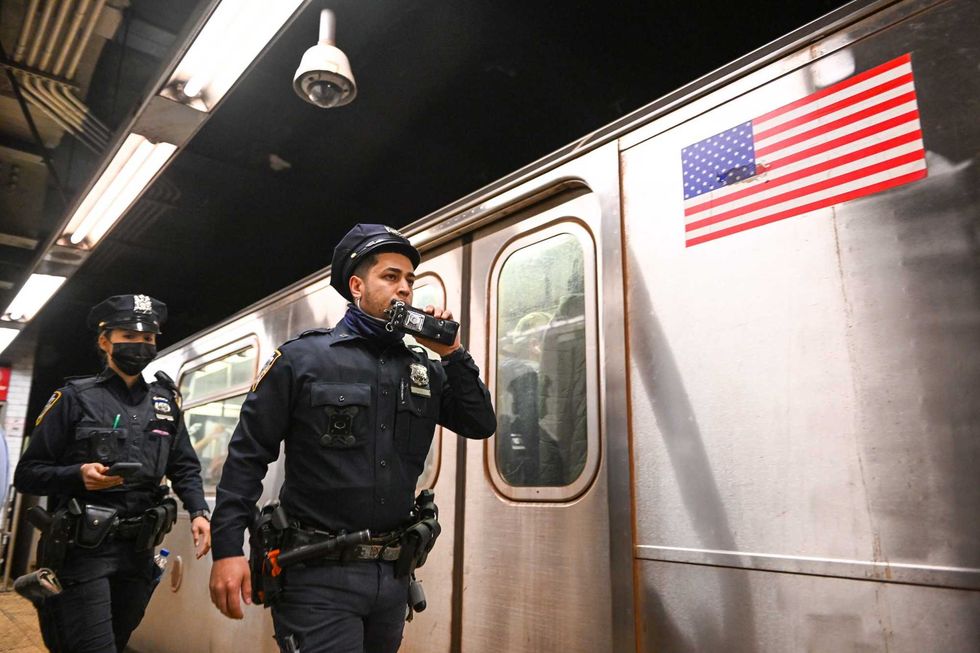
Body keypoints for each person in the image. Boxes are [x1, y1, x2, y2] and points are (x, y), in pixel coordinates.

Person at [208, 224, 496, 652]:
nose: (404, 289)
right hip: (316, 576)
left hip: (392, 577)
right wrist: (227, 549)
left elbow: (479, 423)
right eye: (391, 277)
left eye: (410, 280)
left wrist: (452, 354)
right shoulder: (302, 360)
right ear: (357, 285)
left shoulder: (424, 369)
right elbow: (247, 457)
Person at [14, 294, 211, 653]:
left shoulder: (166, 403)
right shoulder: (74, 397)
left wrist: (199, 511)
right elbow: (28, 473)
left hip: (139, 549)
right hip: (84, 550)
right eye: (130, 338)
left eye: (148, 339)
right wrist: (78, 475)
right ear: (105, 341)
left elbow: (183, 465)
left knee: (116, 644)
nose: (140, 346)